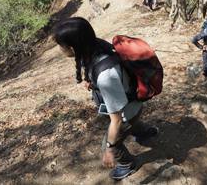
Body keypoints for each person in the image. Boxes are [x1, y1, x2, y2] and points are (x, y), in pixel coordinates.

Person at [53, 17, 159, 180]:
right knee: (131, 123)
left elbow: (116, 120)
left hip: (128, 110)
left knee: (110, 143)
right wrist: (90, 80)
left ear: (73, 48)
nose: (60, 48)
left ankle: (128, 165)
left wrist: (109, 149)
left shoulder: (105, 76)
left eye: (61, 45)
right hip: (131, 105)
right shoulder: (93, 46)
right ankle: (149, 132)